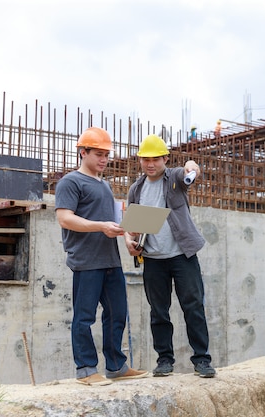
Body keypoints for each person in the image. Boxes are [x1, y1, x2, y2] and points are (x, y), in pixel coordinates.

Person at [55, 127, 148, 386]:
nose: (104, 159)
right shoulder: (70, 182)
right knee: (84, 317)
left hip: (110, 260)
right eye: (98, 154)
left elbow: (115, 222)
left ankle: (116, 365)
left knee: (117, 313)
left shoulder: (105, 185)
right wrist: (100, 226)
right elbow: (65, 218)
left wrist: (129, 238)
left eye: (106, 154)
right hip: (86, 261)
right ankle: (85, 370)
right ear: (82, 152)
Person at [124, 134, 216, 378]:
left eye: (155, 159)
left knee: (193, 306)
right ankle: (164, 359)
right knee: (159, 311)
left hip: (181, 256)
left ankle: (202, 360)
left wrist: (192, 167)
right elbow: (131, 227)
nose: (150, 164)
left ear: (165, 158)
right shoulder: (137, 189)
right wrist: (129, 242)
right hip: (153, 259)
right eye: (145, 159)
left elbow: (191, 169)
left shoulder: (175, 177)